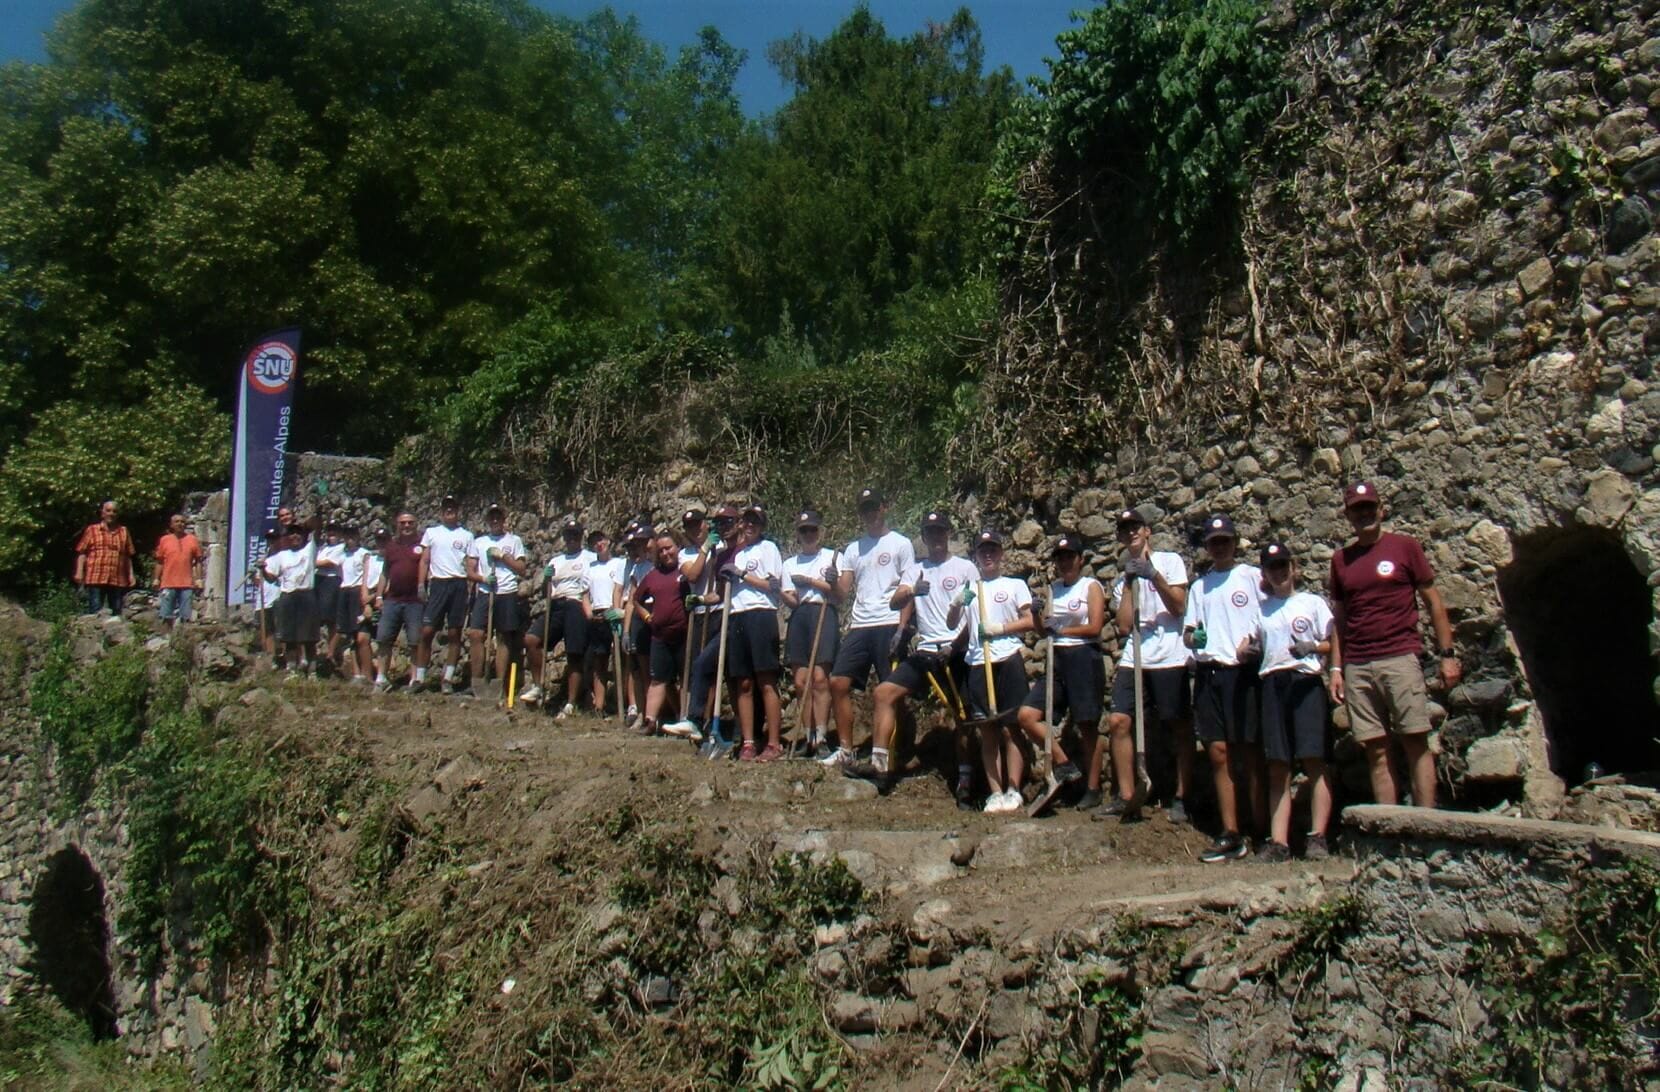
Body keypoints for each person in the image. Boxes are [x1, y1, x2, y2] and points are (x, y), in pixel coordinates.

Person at [1328, 481, 1460, 809]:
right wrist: (1336, 667)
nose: (1364, 514)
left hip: (1400, 656)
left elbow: (1434, 603)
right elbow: (1340, 620)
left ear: (1381, 509)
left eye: (1369, 507)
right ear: (1348, 516)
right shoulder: (1341, 560)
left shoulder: (1405, 547)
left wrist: (1447, 655)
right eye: (1357, 509)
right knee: (1375, 748)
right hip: (1359, 663)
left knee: (1415, 739)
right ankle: (1390, 825)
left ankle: (1425, 822)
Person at [847, 510, 976, 795]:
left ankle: (966, 777)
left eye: (940, 531)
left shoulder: (966, 568)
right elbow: (895, 601)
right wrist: (911, 591)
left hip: (955, 650)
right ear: (924, 537)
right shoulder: (916, 569)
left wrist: (955, 645)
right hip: (926, 650)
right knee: (883, 693)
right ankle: (881, 766)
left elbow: (973, 607)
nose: (936, 537)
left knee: (962, 714)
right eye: (930, 533)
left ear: (948, 533)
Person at [1183, 515, 1266, 863]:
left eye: (1225, 540)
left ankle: (1262, 830)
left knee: (1249, 751)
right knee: (1218, 752)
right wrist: (1194, 639)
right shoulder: (1199, 587)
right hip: (1209, 672)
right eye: (1214, 541)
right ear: (1207, 546)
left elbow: (1270, 616)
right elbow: (1188, 633)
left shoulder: (1251, 577)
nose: (1220, 547)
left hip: (1242, 672)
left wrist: (1256, 643)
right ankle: (1230, 832)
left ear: (1235, 542)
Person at [1104, 507, 1194, 821]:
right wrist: (1130, 581)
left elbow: (1179, 606)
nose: (1130, 533)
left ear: (1147, 531)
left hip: (1170, 655)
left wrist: (1152, 574)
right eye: (1124, 530)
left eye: (1135, 528)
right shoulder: (1121, 580)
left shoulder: (1170, 562)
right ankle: (1128, 795)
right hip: (1136, 655)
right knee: (1118, 721)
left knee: (1179, 725)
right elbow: (1125, 625)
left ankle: (1183, 796)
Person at [1252, 542, 1335, 861]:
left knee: (1314, 759)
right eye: (1273, 567)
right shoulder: (1262, 609)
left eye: (1283, 565)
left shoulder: (1312, 603)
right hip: (1273, 682)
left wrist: (1314, 646)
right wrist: (1247, 649)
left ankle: (1318, 836)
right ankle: (1279, 841)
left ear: (1294, 568)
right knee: (1279, 765)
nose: (1279, 572)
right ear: (1265, 573)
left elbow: (1332, 641)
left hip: (1305, 682)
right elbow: (1252, 642)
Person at [823, 488, 916, 768]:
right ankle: (846, 749)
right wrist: (831, 581)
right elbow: (842, 593)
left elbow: (908, 587)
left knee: (890, 689)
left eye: (874, 507)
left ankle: (889, 752)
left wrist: (902, 629)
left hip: (888, 622)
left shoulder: (901, 543)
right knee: (838, 682)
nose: (870, 514)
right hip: (860, 624)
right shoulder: (854, 548)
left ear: (884, 507)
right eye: (865, 509)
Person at [949, 529, 1035, 814]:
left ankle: (1014, 789)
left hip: (1007, 658)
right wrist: (956, 603)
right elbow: (953, 625)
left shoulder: (1014, 585)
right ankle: (995, 792)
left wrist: (1000, 629)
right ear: (976, 556)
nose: (988, 555)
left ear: (1001, 554)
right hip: (977, 663)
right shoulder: (971, 589)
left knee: (1011, 728)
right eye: (982, 551)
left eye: (992, 550)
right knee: (987, 730)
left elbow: (1029, 621)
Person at [1015, 533, 1098, 797]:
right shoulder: (1053, 589)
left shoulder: (1090, 586)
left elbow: (1095, 626)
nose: (1065, 563)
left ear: (1080, 559)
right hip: (1057, 660)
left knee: (1087, 725)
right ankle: (1064, 763)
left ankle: (1094, 789)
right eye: (1060, 558)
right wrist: (1038, 615)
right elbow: (1043, 632)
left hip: (1083, 658)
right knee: (1027, 715)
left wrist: (1063, 630)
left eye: (1070, 557)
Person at [663, 505, 744, 743]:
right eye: (689, 527)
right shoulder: (686, 554)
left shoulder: (724, 547)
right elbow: (693, 575)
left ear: (705, 525)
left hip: (722, 611)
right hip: (700, 613)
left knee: (729, 672)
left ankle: (738, 728)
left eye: (698, 525)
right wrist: (706, 549)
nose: (695, 530)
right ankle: (701, 722)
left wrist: (714, 548)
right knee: (702, 668)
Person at [727, 506, 787, 761]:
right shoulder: (738, 554)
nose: (750, 526)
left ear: (762, 526)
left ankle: (774, 743)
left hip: (761, 613)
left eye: (756, 522)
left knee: (766, 679)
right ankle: (749, 741)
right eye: (747, 521)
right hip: (737, 614)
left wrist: (742, 575)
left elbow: (773, 586)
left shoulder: (769, 549)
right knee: (743, 682)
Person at [781, 509, 841, 755]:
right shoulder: (789, 564)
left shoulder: (832, 557)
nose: (808, 534)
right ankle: (808, 737)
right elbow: (791, 599)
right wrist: (783, 594)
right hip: (800, 616)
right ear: (798, 534)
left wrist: (815, 582)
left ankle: (823, 736)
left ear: (820, 532)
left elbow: (838, 595)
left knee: (819, 678)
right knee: (800, 680)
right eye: (804, 530)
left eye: (812, 529)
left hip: (824, 612)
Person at [522, 518, 595, 715]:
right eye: (568, 536)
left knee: (574, 652)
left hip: (576, 603)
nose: (571, 539)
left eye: (575, 535)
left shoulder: (589, 557)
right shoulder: (556, 561)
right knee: (532, 639)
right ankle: (538, 686)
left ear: (581, 537)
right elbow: (547, 591)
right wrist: (546, 578)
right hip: (556, 604)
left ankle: (571, 703)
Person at [467, 503, 528, 694]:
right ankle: (476, 681)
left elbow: (521, 569)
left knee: (503, 637)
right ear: (487, 520)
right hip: (486, 592)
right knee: (476, 634)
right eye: (491, 517)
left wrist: (503, 557)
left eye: (498, 517)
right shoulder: (478, 542)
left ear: (503, 519)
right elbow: (469, 570)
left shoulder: (514, 540)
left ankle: (499, 683)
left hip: (506, 592)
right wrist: (483, 578)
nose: (495, 521)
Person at [418, 496, 476, 694]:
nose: (449, 510)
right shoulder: (432, 532)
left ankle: (447, 678)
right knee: (426, 631)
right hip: (438, 584)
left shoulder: (467, 535)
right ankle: (419, 678)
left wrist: (470, 586)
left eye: (453, 507)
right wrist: (421, 584)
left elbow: (470, 564)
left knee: (454, 633)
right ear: (441, 511)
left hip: (458, 584)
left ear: (458, 510)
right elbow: (425, 560)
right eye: (446, 507)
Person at [634, 532, 691, 734]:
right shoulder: (652, 576)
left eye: (669, 548)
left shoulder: (684, 572)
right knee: (659, 679)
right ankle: (650, 722)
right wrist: (648, 618)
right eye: (661, 550)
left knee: (686, 680)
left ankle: (686, 719)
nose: (666, 553)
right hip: (659, 636)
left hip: (684, 635)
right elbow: (636, 600)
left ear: (678, 548)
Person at [374, 513, 426, 692]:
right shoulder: (391, 546)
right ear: (397, 525)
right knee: (384, 639)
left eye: (410, 522)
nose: (407, 526)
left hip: (415, 601)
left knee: (415, 641)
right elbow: (384, 573)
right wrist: (379, 596)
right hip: (392, 600)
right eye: (403, 523)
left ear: (416, 524)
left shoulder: (422, 544)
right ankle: (381, 677)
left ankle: (414, 679)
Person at [264, 520, 320, 677]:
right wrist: (262, 570)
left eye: (298, 533)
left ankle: (312, 670)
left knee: (309, 636)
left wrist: (315, 517)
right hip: (288, 595)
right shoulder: (281, 556)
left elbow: (318, 527)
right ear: (287, 537)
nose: (295, 536)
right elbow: (271, 578)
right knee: (289, 636)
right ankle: (291, 668)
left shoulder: (310, 549)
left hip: (306, 594)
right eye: (292, 533)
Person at [582, 529, 625, 714]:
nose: (599, 544)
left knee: (621, 658)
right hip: (598, 614)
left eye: (601, 540)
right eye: (594, 542)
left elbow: (620, 588)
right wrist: (589, 614)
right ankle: (599, 705)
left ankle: (624, 702)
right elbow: (584, 594)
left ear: (608, 541)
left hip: (614, 612)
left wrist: (616, 611)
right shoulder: (590, 567)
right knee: (599, 660)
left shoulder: (619, 563)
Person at [621, 523, 656, 727]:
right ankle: (643, 713)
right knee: (641, 670)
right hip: (640, 617)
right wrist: (626, 631)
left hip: (657, 613)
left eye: (644, 542)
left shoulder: (659, 564)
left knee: (657, 670)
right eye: (638, 544)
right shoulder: (638, 567)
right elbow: (631, 601)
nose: (642, 547)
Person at [74, 500, 135, 614]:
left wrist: (131, 575)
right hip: (96, 576)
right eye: (108, 510)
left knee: (116, 611)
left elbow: (127, 556)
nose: (111, 513)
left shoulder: (124, 531)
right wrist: (79, 571)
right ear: (102, 513)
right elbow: (82, 552)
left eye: (114, 511)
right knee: (95, 611)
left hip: (117, 578)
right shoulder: (92, 530)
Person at [330, 526, 370, 679]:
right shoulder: (342, 554)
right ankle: (356, 672)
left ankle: (365, 672)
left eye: (353, 535)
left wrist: (363, 592)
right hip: (344, 590)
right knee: (347, 634)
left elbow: (366, 573)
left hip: (357, 590)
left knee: (359, 633)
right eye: (347, 536)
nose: (350, 538)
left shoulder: (363, 553)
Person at [153, 513, 204, 633]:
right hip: (168, 583)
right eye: (177, 522)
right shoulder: (164, 540)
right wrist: (156, 578)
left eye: (182, 521)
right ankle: (165, 639)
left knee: (186, 616)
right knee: (166, 614)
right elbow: (160, 561)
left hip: (186, 584)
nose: (180, 524)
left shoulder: (192, 539)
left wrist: (198, 579)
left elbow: (197, 561)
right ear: (171, 525)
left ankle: (182, 642)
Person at [355, 527, 389, 683]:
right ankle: (367, 676)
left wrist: (374, 597)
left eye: (384, 540)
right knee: (362, 638)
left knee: (383, 639)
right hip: (369, 598)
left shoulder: (391, 559)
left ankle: (382, 675)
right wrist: (366, 600)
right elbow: (365, 579)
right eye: (379, 540)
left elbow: (390, 583)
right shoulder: (370, 558)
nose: (381, 543)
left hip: (383, 599)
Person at [313, 523, 346, 662]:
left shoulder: (341, 547)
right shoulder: (322, 548)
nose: (332, 534)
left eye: (335, 531)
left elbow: (329, 563)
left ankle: (331, 652)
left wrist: (310, 562)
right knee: (316, 618)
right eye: (330, 531)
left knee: (331, 620)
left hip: (331, 582)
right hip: (318, 581)